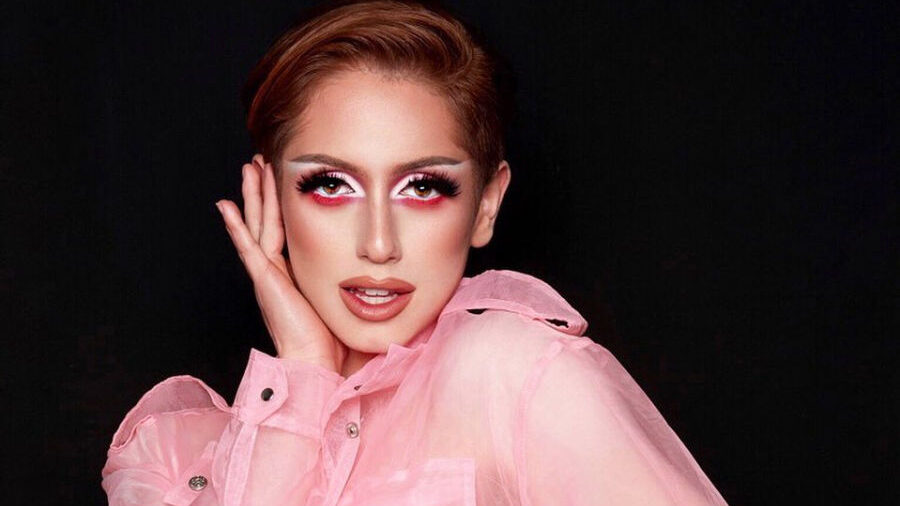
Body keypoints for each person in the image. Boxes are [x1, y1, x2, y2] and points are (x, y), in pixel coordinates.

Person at [101, 1, 726, 504]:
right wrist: (305, 366)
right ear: (270, 194)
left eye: (424, 187)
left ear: (486, 204)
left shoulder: (517, 376)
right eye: (331, 185)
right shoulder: (183, 459)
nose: (379, 244)